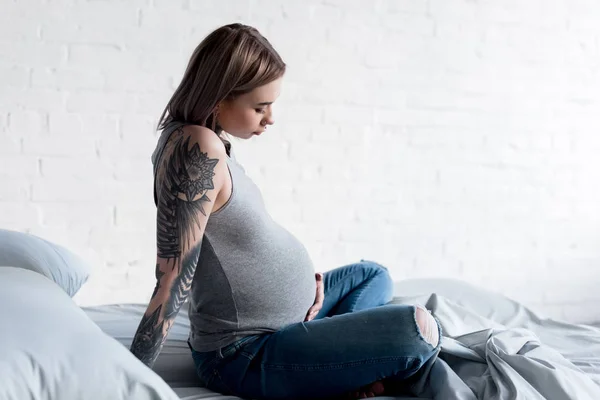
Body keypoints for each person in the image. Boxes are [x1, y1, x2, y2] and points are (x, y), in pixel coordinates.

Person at [130, 23, 441, 399]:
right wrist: (127, 378)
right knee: (419, 330)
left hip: (291, 318)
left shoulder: (207, 141)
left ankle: (331, 355)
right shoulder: (197, 149)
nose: (270, 118)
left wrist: (295, 288)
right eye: (259, 106)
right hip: (244, 353)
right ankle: (335, 364)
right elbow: (173, 277)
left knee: (372, 275)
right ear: (218, 97)